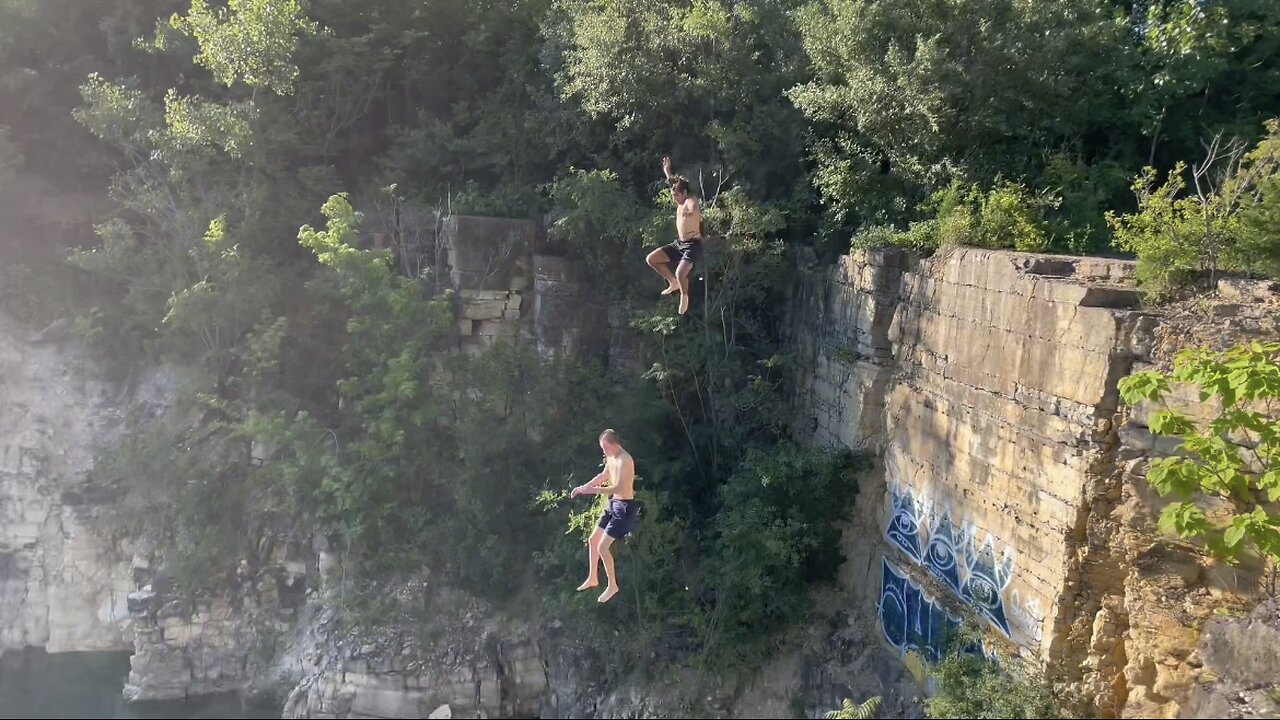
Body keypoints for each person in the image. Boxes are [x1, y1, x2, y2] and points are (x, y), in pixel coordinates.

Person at [570, 428, 637, 604]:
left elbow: (620, 488)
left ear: (614, 444)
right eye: (602, 448)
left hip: (624, 507)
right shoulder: (611, 458)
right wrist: (583, 488)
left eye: (605, 447)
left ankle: (612, 585)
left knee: (602, 547)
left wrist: (596, 490)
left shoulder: (626, 460)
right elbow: (603, 475)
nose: (604, 451)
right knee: (593, 540)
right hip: (612, 504)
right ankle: (593, 577)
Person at [645, 156, 702, 315]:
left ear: (684, 193)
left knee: (680, 272)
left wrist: (690, 207)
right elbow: (673, 184)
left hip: (693, 245)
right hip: (679, 244)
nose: (674, 198)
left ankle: (684, 296)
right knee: (652, 259)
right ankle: (673, 282)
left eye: (676, 195)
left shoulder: (691, 201)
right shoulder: (679, 200)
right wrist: (667, 171)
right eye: (673, 195)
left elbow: (691, 202)